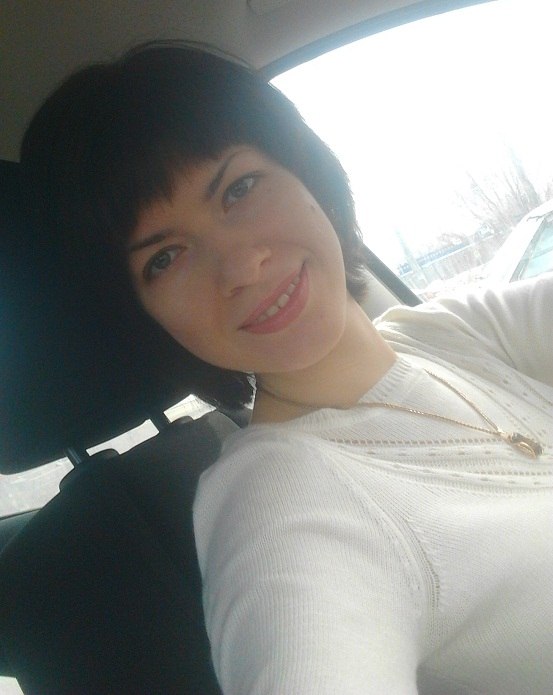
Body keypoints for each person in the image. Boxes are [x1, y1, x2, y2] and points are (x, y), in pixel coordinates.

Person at [21, 41, 552, 694]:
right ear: (142, 317)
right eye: (164, 258)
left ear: (306, 173)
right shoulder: (280, 503)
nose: (241, 267)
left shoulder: (449, 334)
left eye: (239, 189)